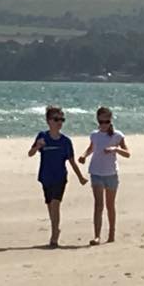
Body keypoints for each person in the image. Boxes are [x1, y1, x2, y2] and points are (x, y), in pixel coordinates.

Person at [28, 106, 88, 248]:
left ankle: (54, 235)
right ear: (48, 121)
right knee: (50, 206)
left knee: (55, 205)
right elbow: (30, 153)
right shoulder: (42, 136)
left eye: (62, 119)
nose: (59, 122)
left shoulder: (65, 141)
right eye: (56, 119)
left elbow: (72, 161)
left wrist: (80, 177)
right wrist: (37, 146)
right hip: (45, 177)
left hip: (60, 177)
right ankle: (55, 227)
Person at [78, 106, 130, 245]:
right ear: (97, 121)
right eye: (101, 122)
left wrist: (115, 149)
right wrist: (83, 156)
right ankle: (97, 236)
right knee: (98, 205)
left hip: (111, 174)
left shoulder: (117, 135)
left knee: (110, 205)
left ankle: (112, 232)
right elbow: (91, 148)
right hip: (96, 172)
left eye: (106, 122)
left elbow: (127, 153)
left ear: (110, 121)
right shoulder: (95, 135)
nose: (104, 125)